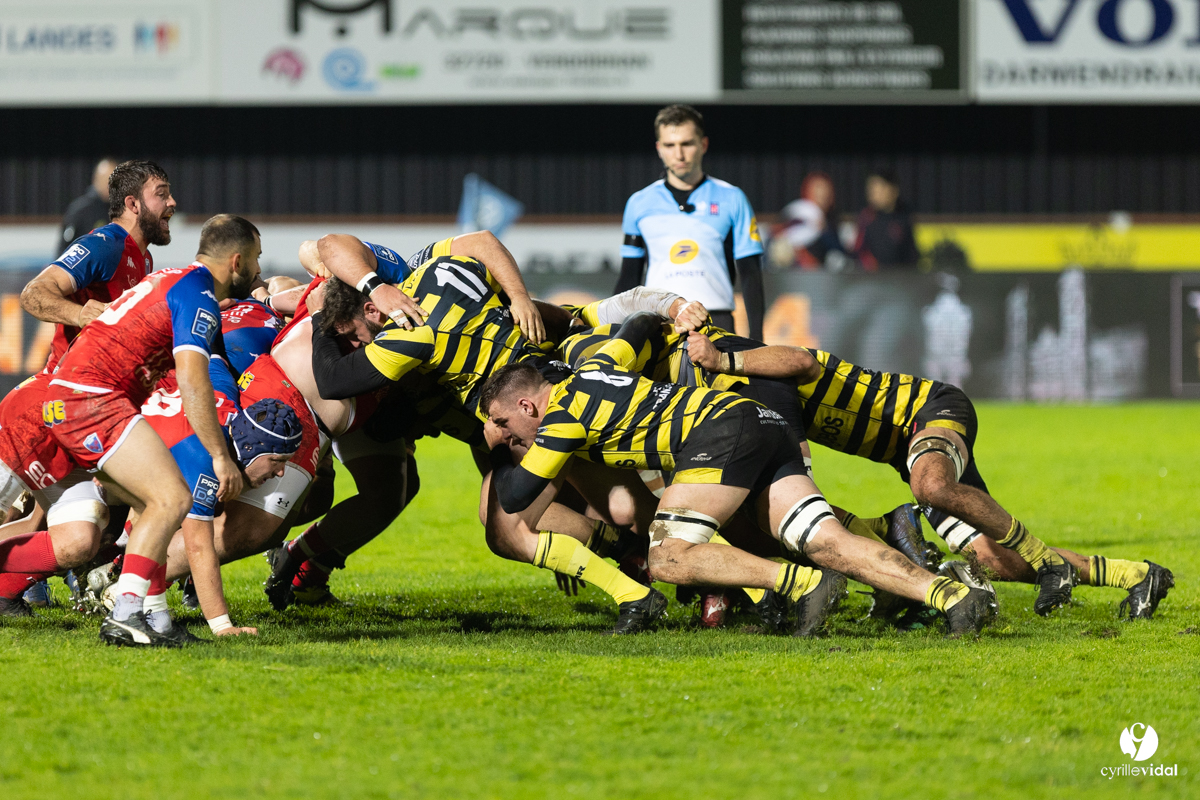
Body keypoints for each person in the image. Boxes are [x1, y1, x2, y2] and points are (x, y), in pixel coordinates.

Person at [481, 313, 997, 638]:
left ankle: (801, 583)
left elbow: (518, 495)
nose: (505, 434)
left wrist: (502, 458)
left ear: (528, 404)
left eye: (503, 423)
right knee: (825, 539)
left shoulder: (561, 420)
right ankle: (951, 596)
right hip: (755, 418)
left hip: (718, 433)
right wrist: (670, 315)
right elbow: (637, 326)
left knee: (668, 557)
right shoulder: (598, 367)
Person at [681, 334, 1175, 620]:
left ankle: (1048, 563)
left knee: (932, 487)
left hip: (929, 409)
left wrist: (721, 358)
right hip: (905, 453)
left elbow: (802, 360)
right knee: (993, 559)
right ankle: (1136, 575)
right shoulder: (735, 395)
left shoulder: (750, 365)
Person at [43, 214, 259, 647]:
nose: (257, 270)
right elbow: (192, 380)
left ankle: (155, 617)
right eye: (255, 259)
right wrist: (220, 456)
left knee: (151, 504)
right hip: (91, 398)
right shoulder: (198, 295)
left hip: (77, 395)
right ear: (236, 261)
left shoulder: (173, 278)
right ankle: (125, 614)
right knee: (172, 498)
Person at [614, 104, 766, 341]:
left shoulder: (732, 198)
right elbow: (629, 277)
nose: (679, 154)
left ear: (703, 144)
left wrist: (756, 337)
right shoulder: (639, 203)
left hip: (716, 321)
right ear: (659, 149)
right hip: (658, 323)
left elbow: (751, 275)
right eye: (670, 145)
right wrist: (614, 332)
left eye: (687, 144)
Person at [22, 160, 175, 372]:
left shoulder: (145, 257)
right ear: (133, 204)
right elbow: (32, 294)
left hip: (106, 378)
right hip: (67, 381)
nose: (172, 202)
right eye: (162, 194)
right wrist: (79, 314)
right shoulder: (103, 245)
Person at [773, 172, 846, 270]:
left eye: (825, 191)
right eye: (818, 190)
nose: (822, 195)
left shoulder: (831, 221)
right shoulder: (795, 215)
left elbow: (838, 251)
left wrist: (824, 230)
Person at [853, 168, 920, 270]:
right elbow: (858, 251)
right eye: (871, 189)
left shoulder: (904, 217)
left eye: (879, 189)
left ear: (894, 190)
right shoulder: (866, 218)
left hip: (900, 275)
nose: (873, 194)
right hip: (873, 276)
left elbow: (911, 254)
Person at [56, 157, 117, 253]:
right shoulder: (80, 210)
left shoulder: (123, 210)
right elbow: (65, 248)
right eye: (106, 180)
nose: (109, 185)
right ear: (95, 180)